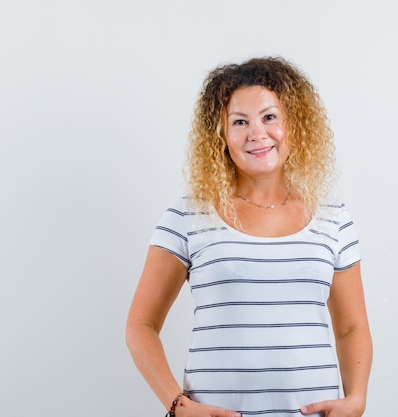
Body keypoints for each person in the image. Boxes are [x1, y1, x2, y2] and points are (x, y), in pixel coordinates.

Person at [126, 56, 372, 417]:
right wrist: (177, 406)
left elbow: (352, 328)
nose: (257, 133)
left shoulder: (333, 219)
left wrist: (357, 399)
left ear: (293, 123)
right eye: (240, 122)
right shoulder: (188, 216)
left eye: (269, 117)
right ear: (221, 135)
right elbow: (141, 325)